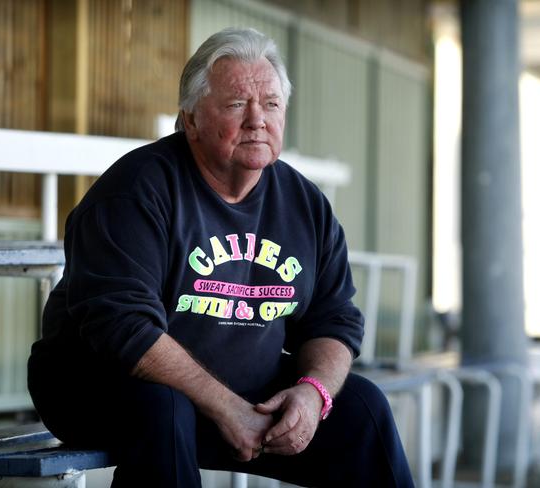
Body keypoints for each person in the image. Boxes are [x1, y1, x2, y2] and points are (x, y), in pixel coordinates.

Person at [28, 27, 414, 487]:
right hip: (101, 385)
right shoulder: (136, 191)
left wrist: (312, 395)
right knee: (164, 407)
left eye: (270, 104)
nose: (257, 120)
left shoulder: (304, 204)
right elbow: (124, 329)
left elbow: (334, 320)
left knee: (362, 408)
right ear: (190, 119)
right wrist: (226, 407)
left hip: (242, 391)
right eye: (236, 105)